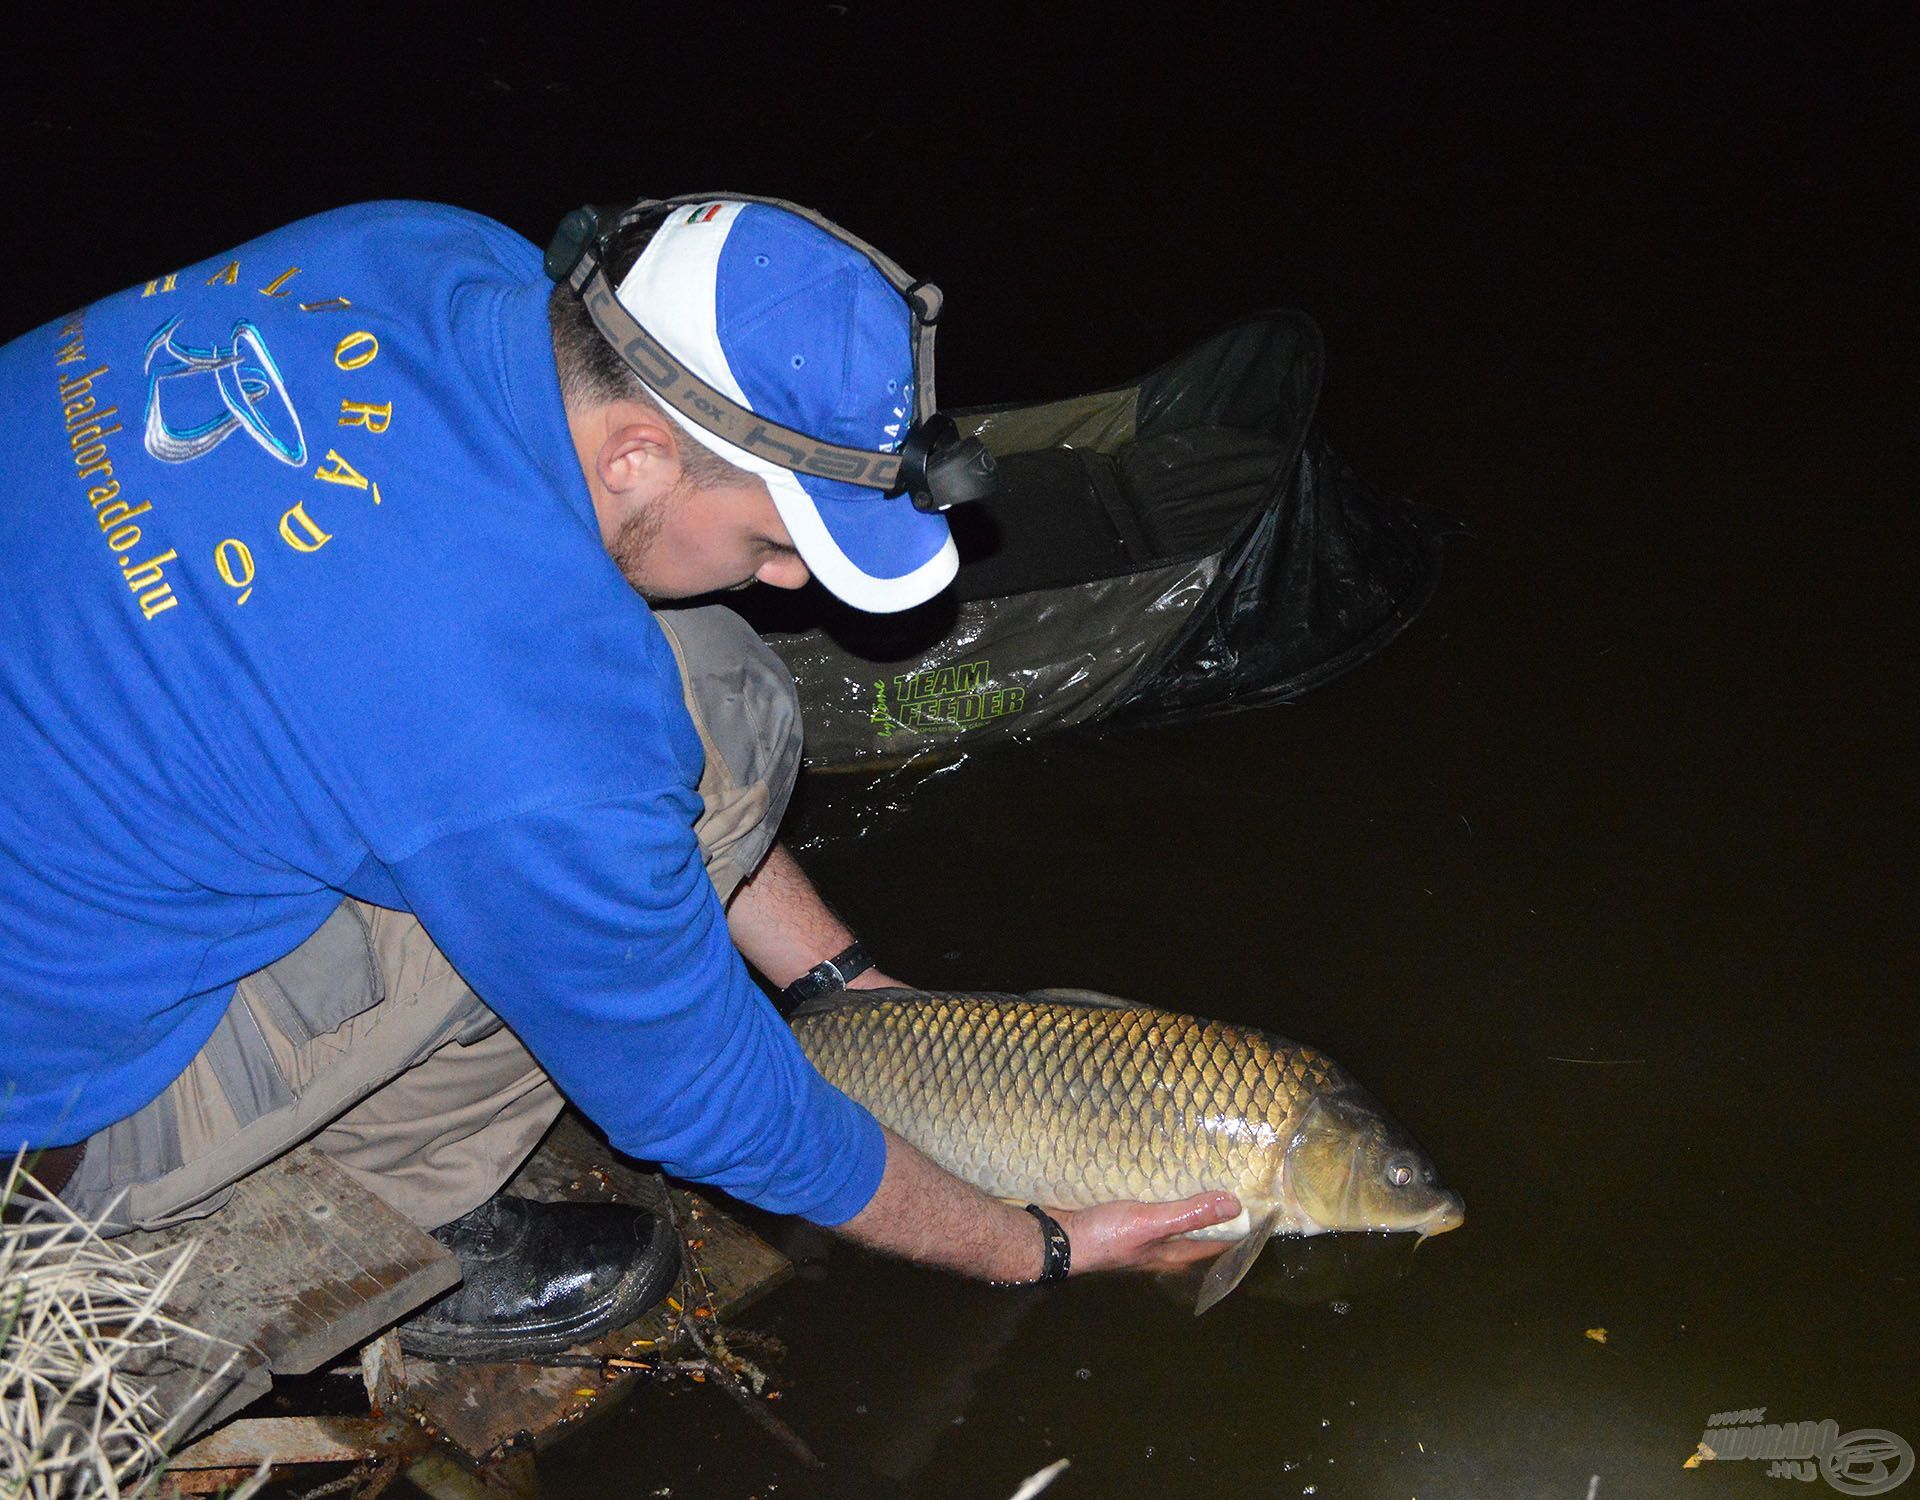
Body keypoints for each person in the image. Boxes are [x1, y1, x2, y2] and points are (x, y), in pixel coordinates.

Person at [0, 194, 1237, 1362]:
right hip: (47, 1126)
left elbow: (553, 746)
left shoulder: (421, 255)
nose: (794, 580)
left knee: (716, 680)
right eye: (778, 535)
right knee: (595, 940)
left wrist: (852, 986)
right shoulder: (506, 696)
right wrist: (1037, 1243)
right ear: (640, 454)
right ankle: (368, 1219)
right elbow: (696, 1089)